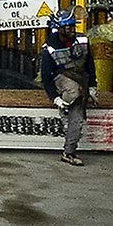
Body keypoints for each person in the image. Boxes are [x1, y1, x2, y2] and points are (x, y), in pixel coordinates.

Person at [39, 9, 97, 166]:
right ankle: (66, 107)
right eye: (68, 27)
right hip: (61, 77)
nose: (72, 29)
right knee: (74, 93)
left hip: (81, 77)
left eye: (73, 26)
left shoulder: (83, 41)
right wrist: (55, 98)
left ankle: (68, 153)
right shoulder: (49, 48)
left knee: (76, 117)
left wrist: (92, 86)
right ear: (59, 28)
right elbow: (46, 76)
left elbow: (90, 65)